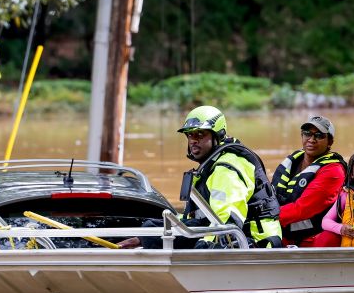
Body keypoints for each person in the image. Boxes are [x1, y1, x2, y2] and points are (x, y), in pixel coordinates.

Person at [117, 106, 283, 249]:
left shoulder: (227, 168)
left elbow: (227, 219)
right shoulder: (210, 166)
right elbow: (197, 217)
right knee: (151, 228)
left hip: (255, 241)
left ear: (217, 135)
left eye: (200, 134)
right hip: (223, 231)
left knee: (164, 237)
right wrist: (145, 237)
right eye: (190, 135)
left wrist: (205, 246)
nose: (193, 140)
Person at [271, 115, 347, 247]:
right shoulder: (294, 160)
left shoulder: (334, 171)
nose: (311, 139)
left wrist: (265, 217)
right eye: (307, 134)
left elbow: (303, 209)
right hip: (282, 230)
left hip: (313, 236)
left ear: (330, 142)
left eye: (319, 135)